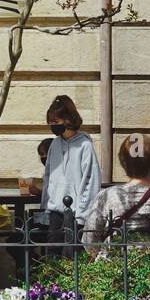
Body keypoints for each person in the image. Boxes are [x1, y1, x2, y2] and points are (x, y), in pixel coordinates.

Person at [82, 134, 150, 247]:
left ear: (124, 165)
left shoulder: (107, 196)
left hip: (115, 263)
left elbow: (89, 240)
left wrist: (106, 259)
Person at [37, 94, 100, 249]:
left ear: (68, 120)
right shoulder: (55, 145)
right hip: (55, 212)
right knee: (52, 259)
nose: (52, 125)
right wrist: (45, 209)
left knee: (73, 260)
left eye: (55, 121)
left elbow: (91, 181)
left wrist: (82, 215)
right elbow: (48, 178)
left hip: (75, 213)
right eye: (50, 122)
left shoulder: (85, 146)